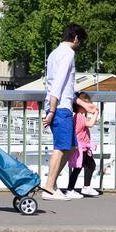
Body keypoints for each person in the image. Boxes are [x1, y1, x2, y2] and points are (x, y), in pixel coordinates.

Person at [41, 23, 93, 201]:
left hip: (60, 104)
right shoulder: (68, 53)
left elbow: (60, 85)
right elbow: (59, 83)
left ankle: (52, 185)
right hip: (60, 107)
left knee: (71, 147)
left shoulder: (55, 52)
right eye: (81, 41)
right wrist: (53, 110)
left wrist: (82, 104)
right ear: (76, 38)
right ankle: (48, 188)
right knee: (61, 147)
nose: (80, 45)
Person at [64, 92, 100, 197]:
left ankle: (86, 187)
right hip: (81, 147)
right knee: (78, 168)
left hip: (83, 147)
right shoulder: (79, 117)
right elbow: (90, 124)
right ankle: (70, 189)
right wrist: (96, 113)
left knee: (90, 165)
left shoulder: (78, 116)